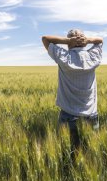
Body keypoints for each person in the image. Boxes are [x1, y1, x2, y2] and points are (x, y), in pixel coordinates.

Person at [41, 29, 103, 161]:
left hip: (68, 114)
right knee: (90, 155)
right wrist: (89, 40)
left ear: (70, 42)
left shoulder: (63, 57)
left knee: (67, 155)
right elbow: (100, 41)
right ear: (84, 42)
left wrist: (67, 41)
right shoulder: (93, 57)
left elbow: (45, 38)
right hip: (91, 115)